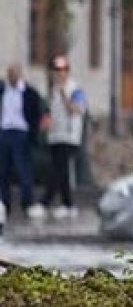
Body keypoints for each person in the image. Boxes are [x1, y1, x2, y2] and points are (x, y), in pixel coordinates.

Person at [1, 64, 49, 221]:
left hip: (21, 132)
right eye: (10, 74)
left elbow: (38, 113)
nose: (12, 77)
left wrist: (34, 131)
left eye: (15, 74)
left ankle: (27, 202)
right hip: (4, 132)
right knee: (3, 170)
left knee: (23, 169)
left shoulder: (29, 93)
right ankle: (4, 202)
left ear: (20, 75)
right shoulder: (3, 91)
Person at [43, 55, 87, 219]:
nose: (59, 73)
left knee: (59, 169)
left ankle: (48, 202)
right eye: (56, 70)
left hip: (69, 136)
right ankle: (67, 204)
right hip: (55, 134)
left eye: (62, 70)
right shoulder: (52, 90)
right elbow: (52, 112)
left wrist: (63, 95)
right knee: (61, 171)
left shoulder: (75, 89)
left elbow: (76, 110)